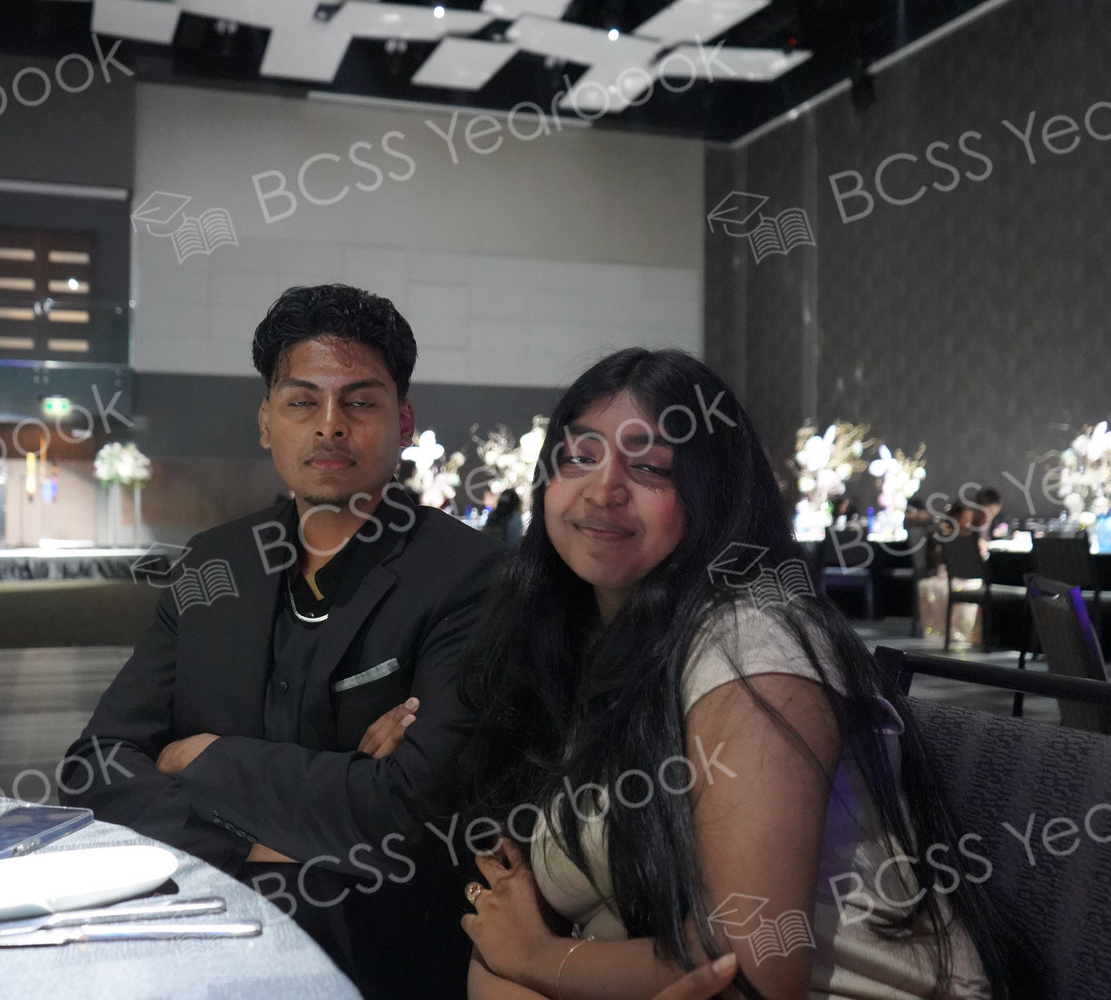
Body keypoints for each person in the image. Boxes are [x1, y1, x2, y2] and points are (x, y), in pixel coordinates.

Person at [445, 349, 1034, 1000]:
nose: (602, 489)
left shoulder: (749, 640)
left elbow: (754, 962)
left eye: (650, 468)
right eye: (579, 457)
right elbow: (504, 937)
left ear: (713, 497)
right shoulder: (583, 648)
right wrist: (520, 956)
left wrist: (539, 959)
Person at [58, 284, 505, 1000]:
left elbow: (408, 813)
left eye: (360, 402)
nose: (331, 425)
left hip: (373, 955)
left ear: (402, 421)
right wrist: (253, 845)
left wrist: (201, 757)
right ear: (267, 422)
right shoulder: (214, 565)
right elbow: (94, 768)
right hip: (193, 931)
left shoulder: (469, 576)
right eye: (302, 402)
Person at [915, 487, 1004, 643]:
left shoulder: (976, 533)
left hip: (960, 577)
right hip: (958, 577)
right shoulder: (953, 537)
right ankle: (962, 633)